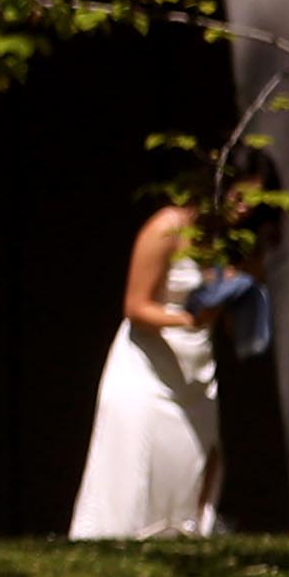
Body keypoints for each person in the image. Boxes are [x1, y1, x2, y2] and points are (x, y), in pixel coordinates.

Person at [68, 191, 258, 541]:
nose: (245, 206)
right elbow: (136, 306)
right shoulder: (166, 228)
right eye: (240, 194)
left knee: (192, 462)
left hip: (196, 370)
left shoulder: (227, 240)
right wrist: (187, 319)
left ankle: (184, 541)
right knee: (137, 464)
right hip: (148, 368)